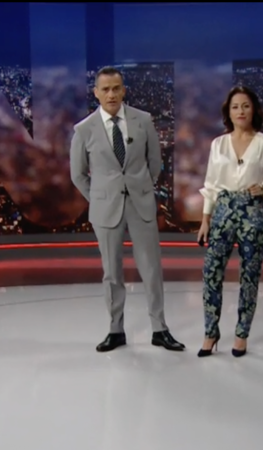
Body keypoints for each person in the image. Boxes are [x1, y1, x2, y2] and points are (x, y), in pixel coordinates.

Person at [70, 66, 185, 353]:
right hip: (105, 209)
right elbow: (78, 174)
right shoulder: (84, 129)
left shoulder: (142, 120)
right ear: (96, 93)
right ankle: (115, 330)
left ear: (123, 91)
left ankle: (159, 329)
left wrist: (140, 188)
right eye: (105, 89)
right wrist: (99, 197)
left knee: (151, 268)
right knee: (111, 272)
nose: (111, 94)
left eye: (116, 88)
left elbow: (155, 163)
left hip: (140, 204)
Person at [196, 86, 263, 358]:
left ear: (253, 110)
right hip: (223, 209)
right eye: (235, 107)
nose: (240, 111)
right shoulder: (218, 144)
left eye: (245, 106)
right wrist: (205, 219)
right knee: (211, 272)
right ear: (228, 113)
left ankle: (242, 334)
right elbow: (211, 184)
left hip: (252, 211)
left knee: (249, 275)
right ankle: (210, 333)